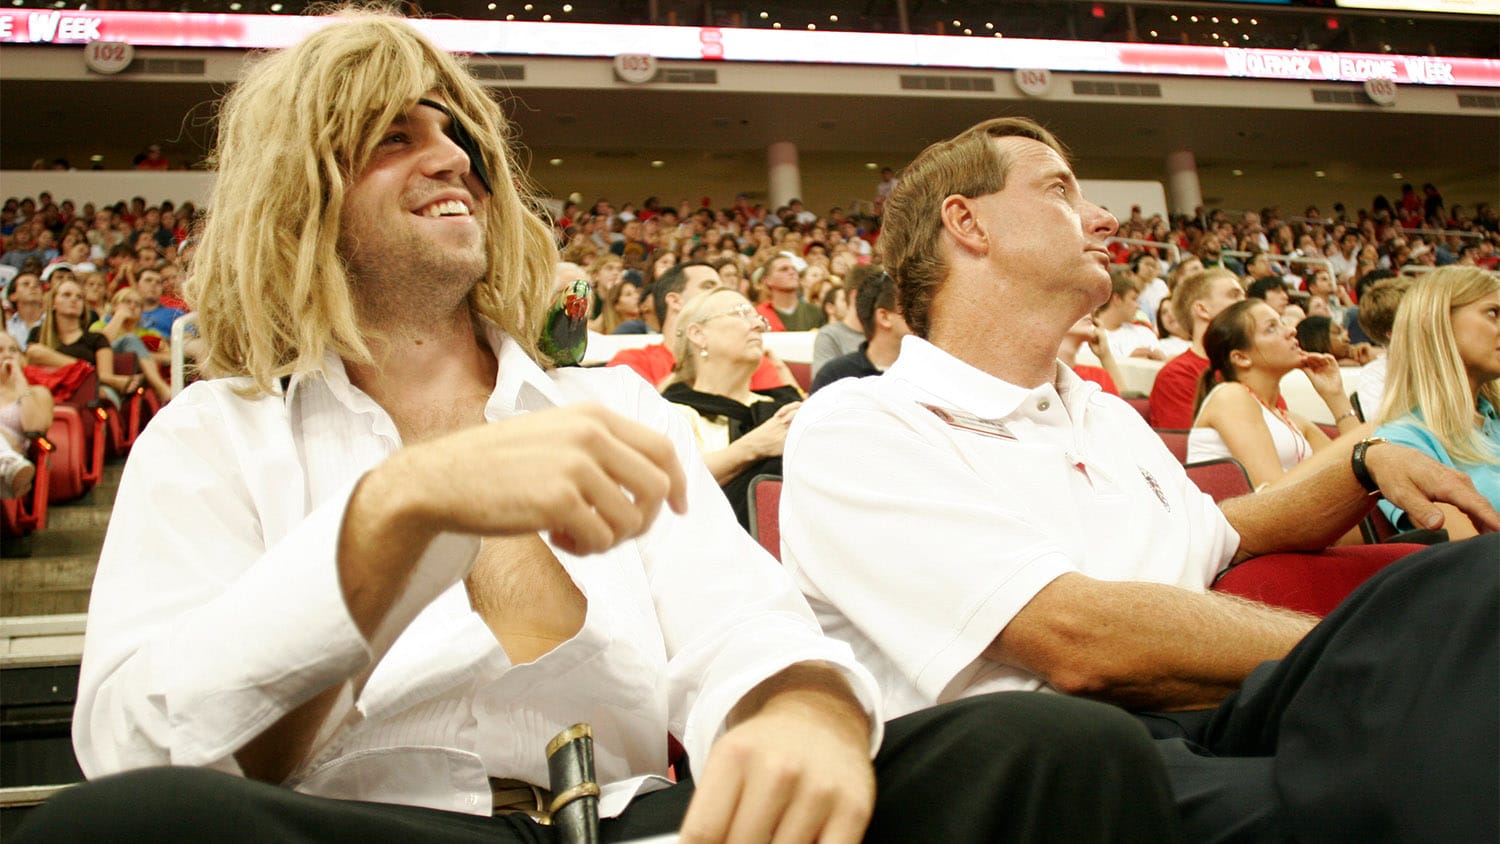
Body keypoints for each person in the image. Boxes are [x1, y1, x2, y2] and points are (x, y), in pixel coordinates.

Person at [17, 19, 1183, 844]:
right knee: (128, 827)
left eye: (454, 128)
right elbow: (140, 747)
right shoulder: (215, 436)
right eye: (392, 136)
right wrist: (393, 514)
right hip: (369, 827)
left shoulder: (613, 409)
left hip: (647, 825)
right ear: (300, 194)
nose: (452, 155)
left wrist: (807, 715)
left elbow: (745, 631)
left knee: (1058, 751)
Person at [781, 115, 1500, 843]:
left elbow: (1226, 533)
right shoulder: (862, 422)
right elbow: (1075, 639)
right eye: (1061, 190)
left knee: (1480, 580)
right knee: (1395, 794)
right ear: (967, 223)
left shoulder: (1101, 412)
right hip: (1055, 767)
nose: (1101, 218)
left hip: (1213, 715)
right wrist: (1357, 649)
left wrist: (1359, 466)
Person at [1373, 266, 1500, 540]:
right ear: (1434, 322)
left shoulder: (1494, 418)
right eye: (1493, 313)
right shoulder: (1400, 445)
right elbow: (1473, 560)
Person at [660, 288, 801, 528]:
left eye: (758, 317)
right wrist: (754, 446)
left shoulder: (783, 406)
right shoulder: (672, 411)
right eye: (741, 313)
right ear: (698, 334)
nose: (757, 325)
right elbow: (665, 488)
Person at [1187, 300, 1362, 489]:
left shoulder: (1291, 419)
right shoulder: (1230, 396)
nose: (1291, 331)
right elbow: (1273, 494)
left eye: (1282, 323)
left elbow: (1361, 469)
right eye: (1271, 328)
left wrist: (1335, 395)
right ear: (1241, 358)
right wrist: (1362, 437)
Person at [1147, 268, 1245, 429]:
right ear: (1203, 310)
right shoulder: (1177, 376)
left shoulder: (1253, 366)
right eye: (1234, 295)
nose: (1246, 303)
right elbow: (1189, 449)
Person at [24, 277, 143, 405]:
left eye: (79, 297)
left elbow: (105, 376)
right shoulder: (38, 333)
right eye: (66, 295)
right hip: (48, 391)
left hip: (88, 392)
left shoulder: (96, 338)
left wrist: (54, 360)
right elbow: (31, 361)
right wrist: (86, 370)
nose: (74, 299)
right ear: (53, 303)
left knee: (100, 393)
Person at [811, 270, 909, 393]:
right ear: (884, 317)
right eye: (908, 308)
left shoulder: (928, 370)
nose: (920, 315)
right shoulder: (835, 375)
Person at [90, 287, 174, 403]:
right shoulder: (99, 326)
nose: (132, 306)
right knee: (130, 339)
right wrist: (119, 317)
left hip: (140, 379)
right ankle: (162, 389)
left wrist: (139, 355)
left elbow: (170, 357)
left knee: (132, 340)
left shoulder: (151, 333)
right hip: (108, 374)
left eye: (138, 304)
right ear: (115, 305)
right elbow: (98, 346)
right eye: (127, 302)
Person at [0, 331, 53, 498]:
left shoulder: (39, 393)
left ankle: (8, 462)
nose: (7, 355)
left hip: (18, 463)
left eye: (13, 350)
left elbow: (35, 427)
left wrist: (19, 379)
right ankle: (7, 461)